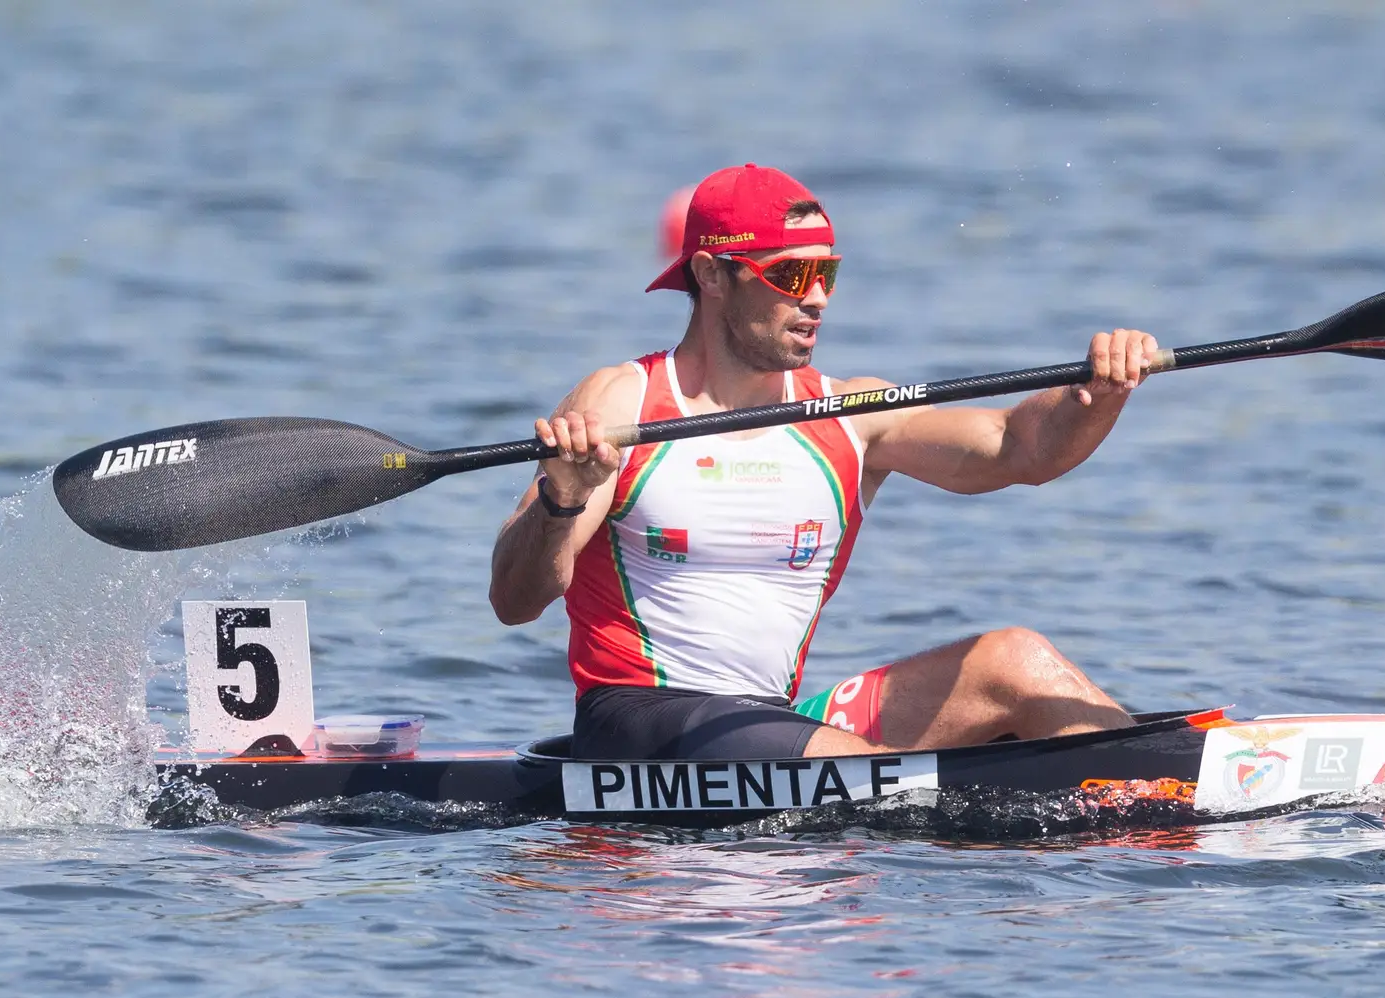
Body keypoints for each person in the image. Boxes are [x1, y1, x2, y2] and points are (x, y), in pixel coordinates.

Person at [488, 163, 1158, 761]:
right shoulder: (621, 403)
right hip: (637, 724)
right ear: (711, 274)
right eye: (790, 275)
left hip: (766, 723)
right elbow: (514, 602)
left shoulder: (849, 415)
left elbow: (1019, 448)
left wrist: (1096, 395)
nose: (818, 298)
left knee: (1018, 662)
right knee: (857, 766)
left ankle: (1155, 792)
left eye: (827, 272)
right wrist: (560, 502)